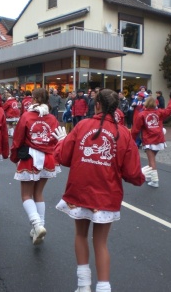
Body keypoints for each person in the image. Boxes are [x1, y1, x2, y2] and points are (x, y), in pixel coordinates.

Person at [53, 89, 145, 292]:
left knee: (80, 236)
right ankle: (103, 288)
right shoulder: (124, 134)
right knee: (101, 243)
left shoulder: (82, 125)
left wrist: (60, 142)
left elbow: (64, 157)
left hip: (80, 191)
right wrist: (141, 176)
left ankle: (83, 286)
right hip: (107, 195)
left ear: (97, 105)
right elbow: (131, 172)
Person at [10, 88, 60, 245]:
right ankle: (39, 227)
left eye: (32, 97)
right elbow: (55, 139)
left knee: (26, 195)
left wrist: (14, 156)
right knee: (39, 193)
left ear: (36, 99)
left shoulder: (26, 116)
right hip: (47, 158)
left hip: (30, 157)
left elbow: (18, 139)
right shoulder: (53, 118)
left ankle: (37, 225)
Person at [131, 93, 171, 187]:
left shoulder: (142, 115)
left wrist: (131, 140)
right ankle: (149, 176)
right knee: (151, 159)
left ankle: (155, 181)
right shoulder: (159, 112)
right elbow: (170, 109)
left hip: (149, 141)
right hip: (159, 140)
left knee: (151, 161)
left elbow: (135, 130)